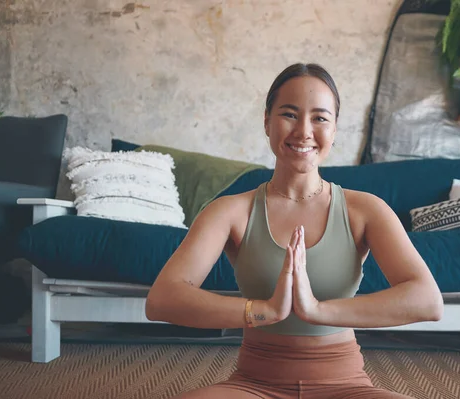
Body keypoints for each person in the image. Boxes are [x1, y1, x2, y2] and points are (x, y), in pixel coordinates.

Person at [145, 63, 444, 399]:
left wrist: (316, 310)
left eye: (319, 118)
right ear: (267, 121)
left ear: (334, 129)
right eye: (289, 114)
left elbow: (427, 300)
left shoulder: (366, 210)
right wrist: (264, 310)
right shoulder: (231, 211)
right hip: (254, 386)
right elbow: (162, 299)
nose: (304, 131)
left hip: (344, 387)